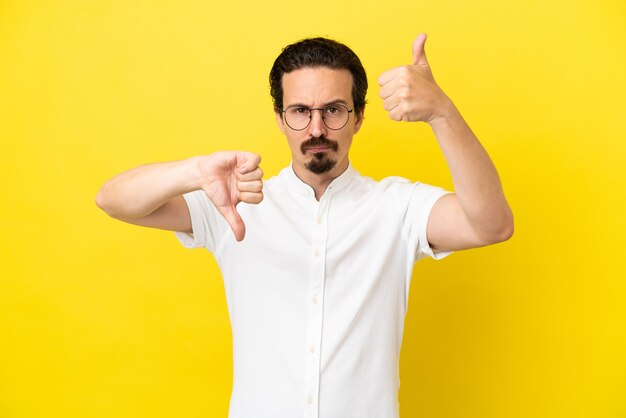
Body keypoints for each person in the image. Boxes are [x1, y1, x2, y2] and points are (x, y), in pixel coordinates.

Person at [96, 34, 513, 418]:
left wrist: (442, 111)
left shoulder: (397, 207)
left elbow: (491, 225)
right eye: (300, 111)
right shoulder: (234, 201)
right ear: (280, 118)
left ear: (358, 117)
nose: (316, 129)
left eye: (333, 110)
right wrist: (193, 171)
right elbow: (113, 200)